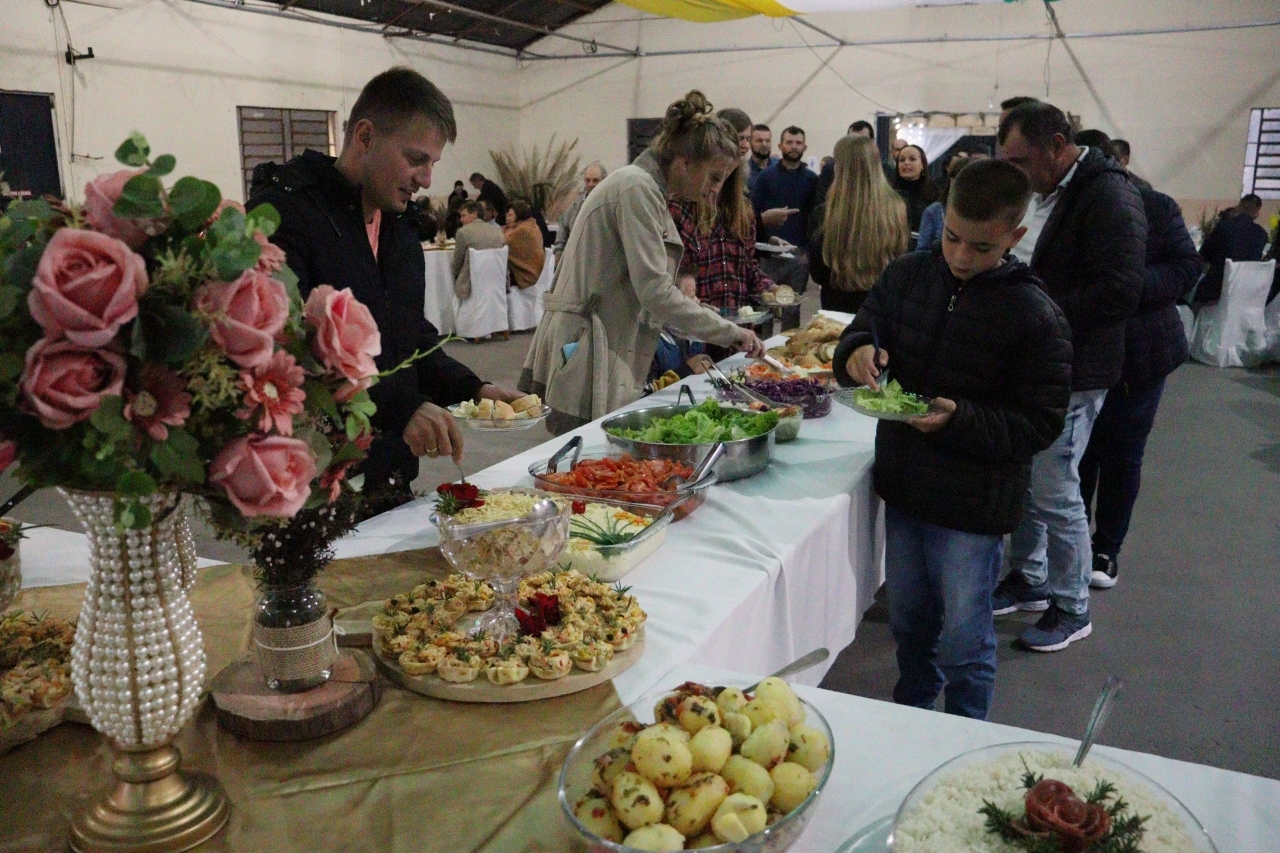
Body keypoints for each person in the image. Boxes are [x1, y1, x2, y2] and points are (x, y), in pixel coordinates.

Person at [832, 158, 1072, 719]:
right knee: (909, 623)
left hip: (972, 507)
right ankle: (911, 712)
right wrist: (857, 353)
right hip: (905, 487)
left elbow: (1040, 423)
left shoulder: (1036, 315)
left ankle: (967, 732)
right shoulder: (906, 276)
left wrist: (959, 419)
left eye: (981, 247)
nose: (961, 256)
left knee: (965, 640)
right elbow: (861, 328)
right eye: (953, 239)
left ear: (1014, 235)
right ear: (942, 219)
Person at [249, 66, 521, 496]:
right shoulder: (287, 213)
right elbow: (290, 350)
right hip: (314, 483)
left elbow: (409, 337)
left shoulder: (400, 230)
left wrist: (472, 388)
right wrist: (402, 406)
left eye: (432, 164)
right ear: (365, 136)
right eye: (416, 159)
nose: (426, 179)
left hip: (391, 475)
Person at [519, 91, 766, 434]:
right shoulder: (637, 188)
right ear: (685, 162)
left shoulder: (646, 189)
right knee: (584, 453)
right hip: (588, 345)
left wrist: (706, 316)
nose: (715, 190)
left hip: (603, 341)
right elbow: (655, 291)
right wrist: (728, 331)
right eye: (714, 177)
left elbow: (649, 291)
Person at [993, 100, 1147, 651]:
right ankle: (1030, 577)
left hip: (1077, 367)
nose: (1015, 172)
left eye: (1020, 160)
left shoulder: (1108, 195)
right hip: (1040, 361)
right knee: (1030, 479)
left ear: (1057, 146)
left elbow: (1120, 291)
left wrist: (1039, 313)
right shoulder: (1053, 189)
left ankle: (1072, 605)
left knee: (1056, 488)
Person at [1077, 137, 1202, 590]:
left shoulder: (1154, 205)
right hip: (1082, 353)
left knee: (1122, 455)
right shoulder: (1066, 209)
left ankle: (1106, 549)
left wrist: (1125, 287)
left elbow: (1188, 267)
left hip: (1143, 354)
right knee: (1078, 456)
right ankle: (1074, 546)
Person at [669, 139, 776, 314]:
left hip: (737, 318)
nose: (715, 187)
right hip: (695, 318)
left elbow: (748, 266)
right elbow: (667, 274)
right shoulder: (680, 209)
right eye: (714, 177)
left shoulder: (744, 211)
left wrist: (769, 288)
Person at [809, 135, 908, 314]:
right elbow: (901, 262)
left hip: (837, 310)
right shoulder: (897, 209)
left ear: (840, 168)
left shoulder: (825, 214)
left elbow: (818, 274)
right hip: (883, 307)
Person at [752, 126, 818, 291]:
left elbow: (815, 219)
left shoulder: (812, 180)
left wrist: (808, 252)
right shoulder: (765, 176)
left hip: (799, 255)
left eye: (798, 143)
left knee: (793, 303)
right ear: (780, 146)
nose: (794, 147)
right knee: (767, 300)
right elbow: (754, 212)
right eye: (789, 142)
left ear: (805, 147)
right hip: (770, 255)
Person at [1197, 193, 1268, 303]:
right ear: (1257, 214)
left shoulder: (1224, 227)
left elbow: (1203, 255)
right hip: (1245, 293)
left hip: (1216, 292)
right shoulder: (1262, 234)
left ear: (1238, 207)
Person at [917, 154, 978, 251]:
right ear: (951, 181)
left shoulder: (987, 213)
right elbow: (922, 251)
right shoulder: (934, 211)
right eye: (961, 181)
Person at [451, 200, 505, 300]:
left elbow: (457, 266)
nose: (461, 220)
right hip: (497, 283)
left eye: (463, 216)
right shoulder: (498, 231)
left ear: (475, 214)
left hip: (471, 287)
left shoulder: (463, 232)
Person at [555, 162, 608, 255]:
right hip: (577, 256)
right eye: (587, 180)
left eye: (595, 180)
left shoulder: (610, 204)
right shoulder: (576, 204)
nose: (591, 184)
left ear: (604, 180)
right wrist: (559, 252)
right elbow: (563, 227)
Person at [1076, 130, 1152, 192]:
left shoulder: (1142, 186)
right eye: (1109, 156)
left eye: (1116, 158)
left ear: (1125, 159)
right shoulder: (1098, 178)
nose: (1111, 161)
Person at [818, 120, 874, 203]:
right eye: (852, 141)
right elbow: (821, 200)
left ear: (872, 142)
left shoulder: (884, 170)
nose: (857, 146)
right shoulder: (830, 169)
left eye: (862, 141)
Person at [893, 144, 940, 239]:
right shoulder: (890, 193)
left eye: (912, 159)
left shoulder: (935, 193)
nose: (906, 163)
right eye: (902, 160)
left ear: (922, 164)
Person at [503, 199, 546, 290]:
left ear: (519, 215)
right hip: (535, 272)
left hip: (526, 275)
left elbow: (503, 246)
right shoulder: (532, 226)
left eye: (510, 215)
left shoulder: (522, 230)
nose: (507, 218)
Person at [747, 124, 778, 193]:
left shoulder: (781, 166)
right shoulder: (744, 171)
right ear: (750, 143)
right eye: (759, 141)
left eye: (768, 141)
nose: (764, 144)